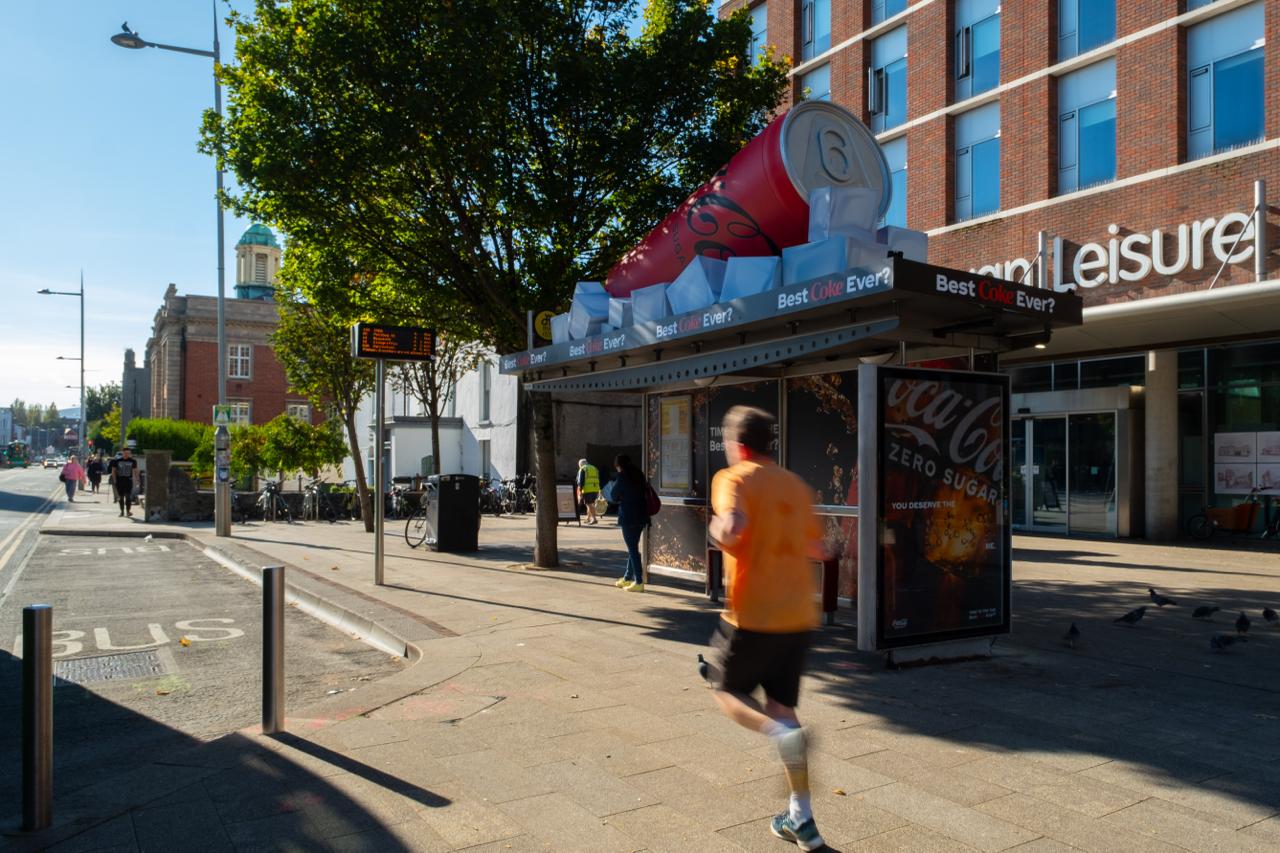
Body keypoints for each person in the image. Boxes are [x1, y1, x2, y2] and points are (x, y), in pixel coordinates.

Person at [705, 405, 828, 851]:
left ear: (737, 445)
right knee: (782, 706)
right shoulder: (795, 486)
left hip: (753, 614)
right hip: (798, 616)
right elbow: (819, 547)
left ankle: (782, 737)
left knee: (723, 690)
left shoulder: (733, 478)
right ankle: (802, 818)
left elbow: (733, 528)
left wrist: (720, 532)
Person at [607, 453, 650, 591]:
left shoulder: (622, 477)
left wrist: (621, 498)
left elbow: (613, 495)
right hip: (642, 515)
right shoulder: (639, 475)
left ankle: (638, 581)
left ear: (619, 466)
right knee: (633, 547)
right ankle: (627, 577)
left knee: (632, 549)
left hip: (628, 516)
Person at [108, 447, 140, 517]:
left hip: (128, 481)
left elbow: (135, 471)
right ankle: (122, 511)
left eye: (128, 453)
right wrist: (115, 480)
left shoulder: (133, 461)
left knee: (128, 497)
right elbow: (113, 471)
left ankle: (128, 511)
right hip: (119, 481)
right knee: (121, 497)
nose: (127, 455)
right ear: (122, 453)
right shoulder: (117, 461)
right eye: (125, 453)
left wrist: (137, 479)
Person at [575, 457, 602, 524]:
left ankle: (594, 519)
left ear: (581, 464)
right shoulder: (594, 468)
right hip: (595, 488)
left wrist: (580, 491)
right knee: (590, 504)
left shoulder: (583, 469)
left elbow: (581, 481)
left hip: (587, 489)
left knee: (589, 504)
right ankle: (588, 518)